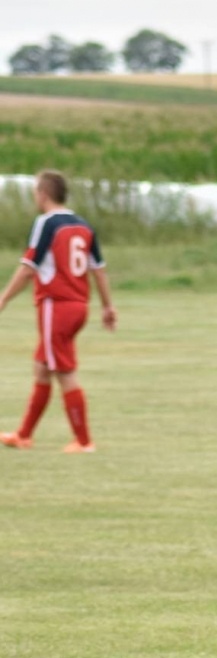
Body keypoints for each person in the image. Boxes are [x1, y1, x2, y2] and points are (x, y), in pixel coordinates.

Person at [0, 170, 116, 452]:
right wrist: (107, 306)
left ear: (43, 194)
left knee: (63, 372)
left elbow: (29, 268)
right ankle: (24, 435)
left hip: (56, 305)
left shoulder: (46, 223)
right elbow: (98, 270)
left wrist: (3, 299)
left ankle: (84, 441)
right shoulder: (83, 225)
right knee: (42, 367)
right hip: (78, 306)